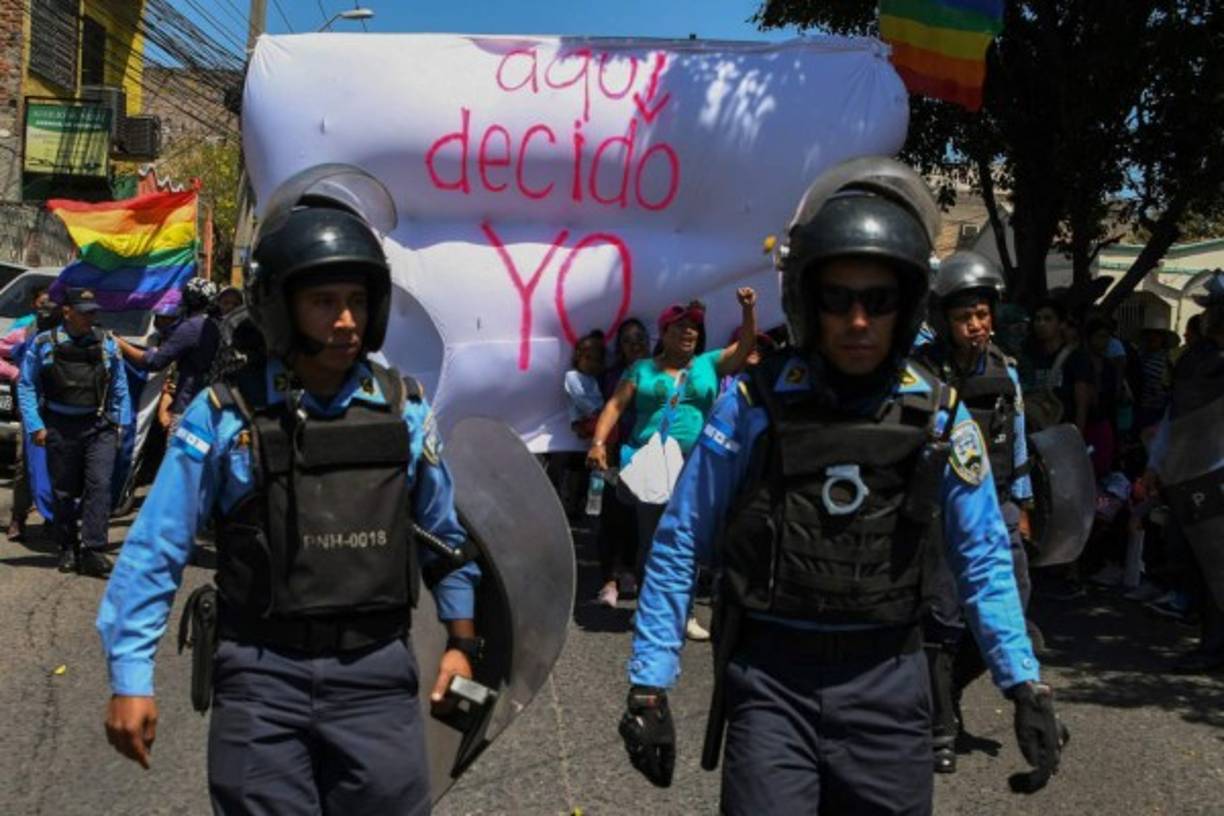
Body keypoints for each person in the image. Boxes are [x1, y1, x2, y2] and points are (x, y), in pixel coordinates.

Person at [617, 157, 1063, 814]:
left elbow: (983, 557)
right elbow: (683, 536)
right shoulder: (753, 405)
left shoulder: (940, 415)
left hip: (889, 684)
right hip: (772, 685)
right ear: (808, 300)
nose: (858, 321)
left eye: (878, 301)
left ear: (905, 306)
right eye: (838, 299)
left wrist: (1023, 681)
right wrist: (649, 684)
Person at [97, 172, 481, 814]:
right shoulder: (225, 416)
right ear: (280, 307)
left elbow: (446, 541)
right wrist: (130, 678)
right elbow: (155, 551)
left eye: (357, 300)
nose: (346, 320)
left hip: (377, 679)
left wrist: (462, 645)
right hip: (260, 679)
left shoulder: (405, 412)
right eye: (323, 301)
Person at [914, 250, 1035, 774]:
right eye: (965, 316)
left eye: (983, 314)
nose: (977, 325)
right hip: (942, 510)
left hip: (999, 502)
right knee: (943, 615)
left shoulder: (1006, 371)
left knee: (1015, 606)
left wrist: (1023, 503)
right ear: (942, 320)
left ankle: (950, 690)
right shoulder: (920, 372)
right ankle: (938, 724)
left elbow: (1019, 438)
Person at [587, 290, 758, 639]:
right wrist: (598, 442)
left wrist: (748, 310)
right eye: (680, 327)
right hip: (650, 464)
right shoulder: (641, 369)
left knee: (688, 538)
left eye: (694, 328)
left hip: (696, 465)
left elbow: (745, 347)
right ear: (663, 334)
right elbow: (615, 406)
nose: (688, 332)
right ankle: (649, 611)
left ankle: (685, 613)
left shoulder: (709, 363)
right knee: (652, 540)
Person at [1139, 271, 1224, 674]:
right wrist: (1156, 464)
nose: (1208, 317)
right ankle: (1211, 642)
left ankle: (1214, 646)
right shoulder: (1196, 361)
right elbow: (1176, 417)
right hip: (1197, 478)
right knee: (1197, 563)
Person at [17, 288, 131, 576]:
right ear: (67, 311)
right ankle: (67, 546)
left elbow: (119, 384)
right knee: (64, 491)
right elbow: (27, 385)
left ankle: (93, 549)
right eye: (84, 312)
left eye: (93, 312)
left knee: (99, 485)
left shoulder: (106, 343)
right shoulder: (44, 343)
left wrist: (122, 424)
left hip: (99, 426)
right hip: (60, 426)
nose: (90, 317)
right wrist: (35, 425)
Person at [115, 277, 221, 431]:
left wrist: (119, 343)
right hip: (206, 404)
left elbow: (154, 362)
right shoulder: (214, 324)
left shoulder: (191, 327)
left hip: (188, 407)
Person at [594, 318, 650, 607]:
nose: (635, 345)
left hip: (646, 454)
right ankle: (609, 579)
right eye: (628, 340)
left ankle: (629, 571)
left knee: (639, 518)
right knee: (612, 516)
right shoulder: (610, 375)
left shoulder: (658, 372)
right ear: (620, 346)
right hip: (614, 453)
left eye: (640, 339)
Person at [2, 287, 53, 540]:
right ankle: (18, 517)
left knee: (60, 466)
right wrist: (15, 374)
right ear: (35, 305)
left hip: (63, 411)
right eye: (43, 304)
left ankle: (53, 518)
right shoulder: (25, 331)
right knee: (25, 464)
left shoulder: (72, 335)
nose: (47, 309)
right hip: (32, 409)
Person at [1020, 299, 1093, 432]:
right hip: (1036, 430)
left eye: (1048, 319)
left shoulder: (1075, 357)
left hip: (1064, 430)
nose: (1041, 324)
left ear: (1061, 324)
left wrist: (1077, 435)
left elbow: (1082, 404)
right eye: (1037, 319)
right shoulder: (1029, 358)